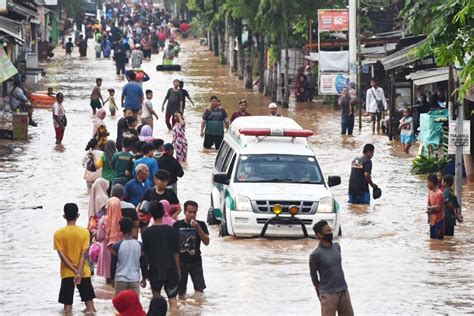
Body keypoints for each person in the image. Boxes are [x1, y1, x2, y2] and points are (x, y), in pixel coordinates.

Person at [54, 203, 96, 314]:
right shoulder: (84, 233)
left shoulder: (58, 234)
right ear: (78, 216)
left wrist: (74, 271)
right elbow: (84, 254)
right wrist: (79, 271)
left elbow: (62, 256)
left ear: (64, 216)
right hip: (84, 273)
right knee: (90, 308)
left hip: (67, 273)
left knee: (67, 309)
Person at [141, 201, 180, 311]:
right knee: (173, 302)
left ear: (151, 214)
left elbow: (144, 255)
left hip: (154, 271)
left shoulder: (146, 233)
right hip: (171, 270)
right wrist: (178, 270)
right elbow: (176, 253)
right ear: (164, 212)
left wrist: (144, 275)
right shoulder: (172, 230)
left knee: (156, 302)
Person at [309, 220, 354, 316]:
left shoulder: (337, 247)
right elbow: (313, 275)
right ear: (319, 235)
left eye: (330, 230)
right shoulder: (315, 254)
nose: (330, 233)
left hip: (343, 290)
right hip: (328, 294)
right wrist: (319, 291)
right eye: (327, 231)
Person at [173, 200, 210, 300]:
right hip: (181, 262)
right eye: (189, 212)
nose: (192, 215)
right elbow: (173, 247)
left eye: (194, 212)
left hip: (196, 261)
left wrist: (198, 228)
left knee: (199, 290)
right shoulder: (177, 225)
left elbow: (206, 242)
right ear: (185, 212)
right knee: (181, 291)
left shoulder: (201, 225)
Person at [111, 217, 144, 296]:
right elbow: (143, 262)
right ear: (132, 228)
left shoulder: (116, 246)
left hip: (120, 279)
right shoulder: (140, 245)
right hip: (134, 279)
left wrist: (112, 279)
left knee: (120, 306)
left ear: (120, 229)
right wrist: (144, 277)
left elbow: (113, 265)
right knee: (133, 306)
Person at [97, 197, 123, 282]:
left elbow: (100, 237)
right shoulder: (123, 221)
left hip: (106, 249)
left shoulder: (103, 220)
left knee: (108, 276)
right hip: (119, 249)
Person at [427, 174, 445, 240]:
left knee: (439, 240)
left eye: (428, 182)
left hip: (439, 220)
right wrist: (428, 218)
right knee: (432, 240)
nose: (427, 184)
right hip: (432, 220)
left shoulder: (439, 193)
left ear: (432, 182)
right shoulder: (430, 193)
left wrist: (430, 208)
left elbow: (438, 208)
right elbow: (428, 205)